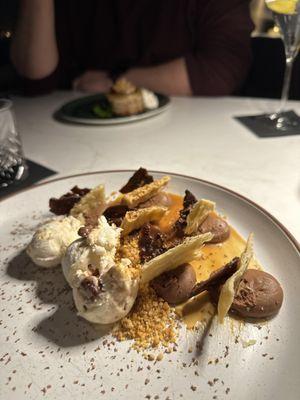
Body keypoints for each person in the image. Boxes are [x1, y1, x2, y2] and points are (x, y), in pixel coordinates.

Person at [11, 0, 254, 96]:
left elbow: (221, 70)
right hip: (71, 140)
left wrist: (117, 80)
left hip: (188, 135)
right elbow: (36, 80)